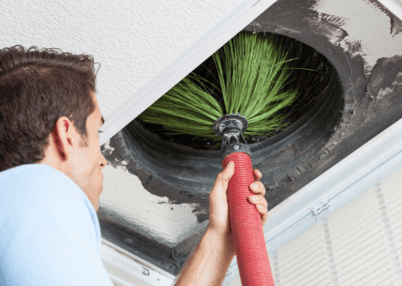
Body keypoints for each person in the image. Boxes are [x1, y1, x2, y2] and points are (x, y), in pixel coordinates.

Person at [0, 46, 269, 286]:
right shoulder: (39, 204)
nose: (102, 159)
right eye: (97, 134)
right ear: (66, 135)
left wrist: (221, 240)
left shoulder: (20, 224)